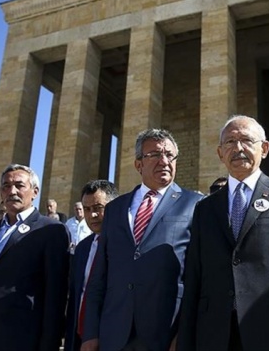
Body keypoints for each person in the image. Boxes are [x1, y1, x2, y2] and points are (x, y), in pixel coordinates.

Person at [178, 115, 269, 351]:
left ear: (265, 148)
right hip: (215, 335)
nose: (238, 148)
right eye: (230, 142)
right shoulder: (205, 208)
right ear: (220, 153)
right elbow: (194, 279)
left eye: (247, 140)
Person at [82, 129, 203, 351]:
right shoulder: (115, 209)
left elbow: (199, 279)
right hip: (115, 332)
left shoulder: (196, 205)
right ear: (139, 164)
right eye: (155, 154)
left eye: (170, 155)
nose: (164, 161)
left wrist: (185, 334)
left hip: (166, 332)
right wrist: (91, 333)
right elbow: (99, 277)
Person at [0, 164, 70, 351]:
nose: (12, 191)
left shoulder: (51, 230)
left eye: (19, 185)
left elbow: (56, 292)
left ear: (35, 192)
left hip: (23, 337)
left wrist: (50, 342)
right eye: (6, 186)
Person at [64, 180, 118, 351]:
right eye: (87, 209)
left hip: (110, 336)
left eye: (98, 208)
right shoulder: (82, 248)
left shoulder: (124, 246)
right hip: (79, 336)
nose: (92, 215)